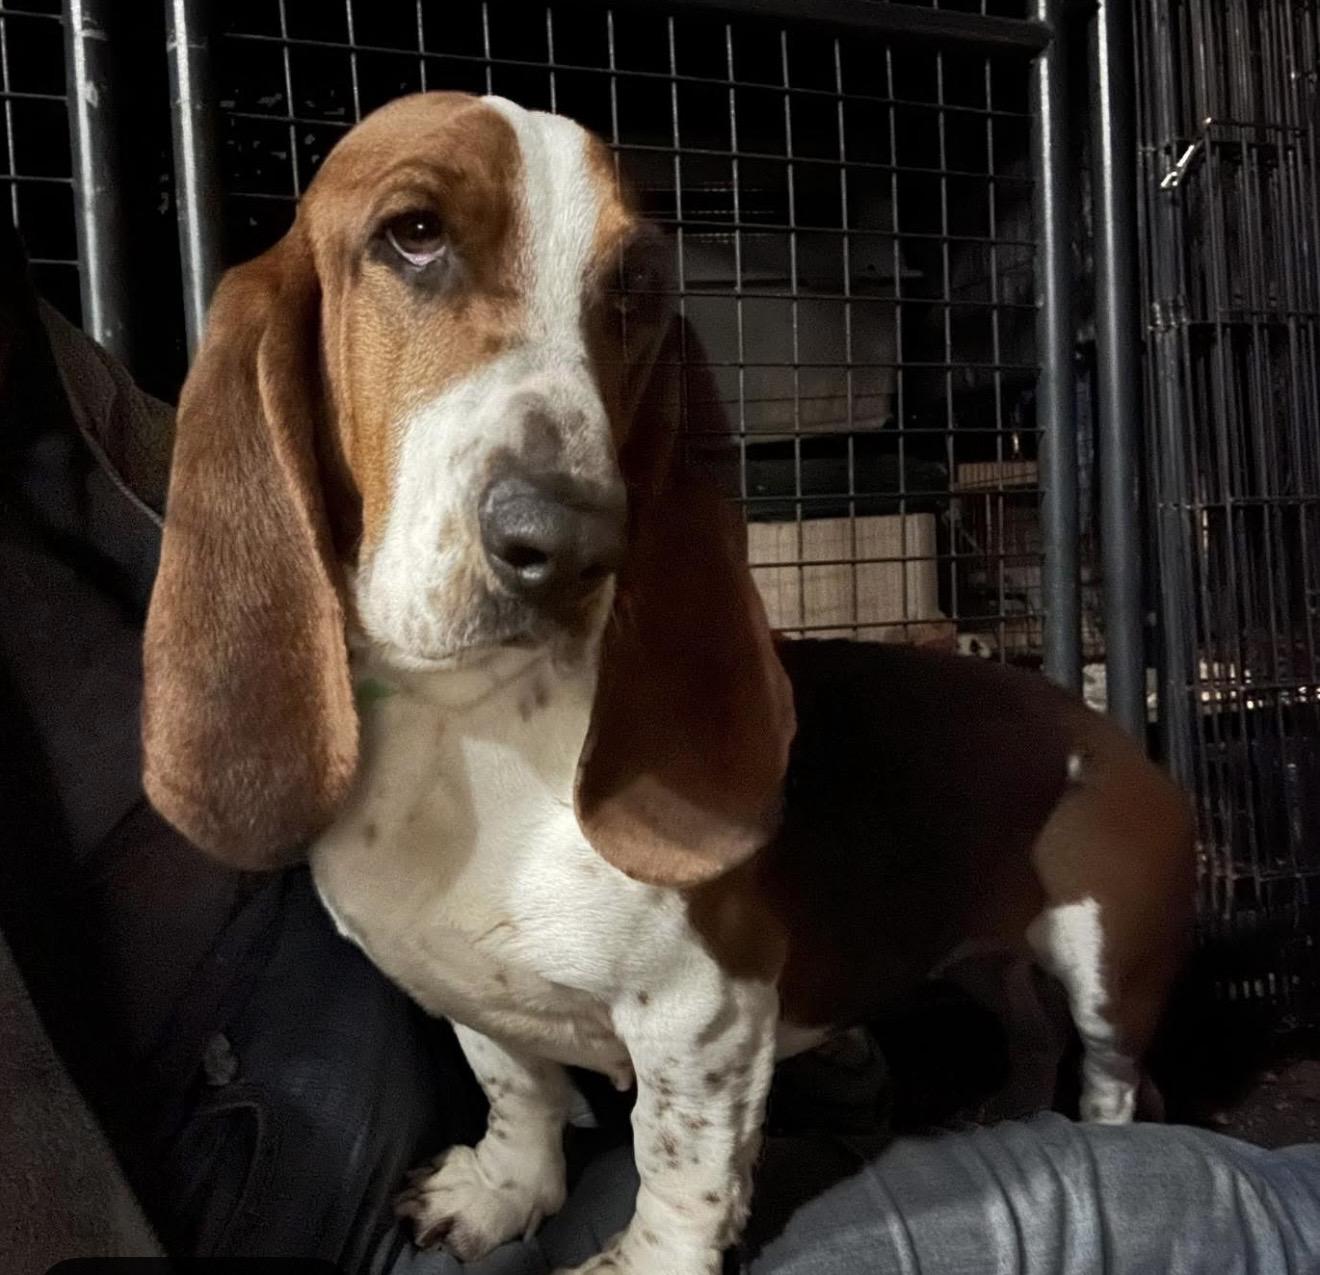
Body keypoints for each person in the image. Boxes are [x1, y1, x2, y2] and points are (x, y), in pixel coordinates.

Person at [3, 219, 1319, 1275]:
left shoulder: (69, 400)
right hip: (428, 1169)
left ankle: (1072, 1086)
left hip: (584, 1088)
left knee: (1103, 1114)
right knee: (1228, 1216)